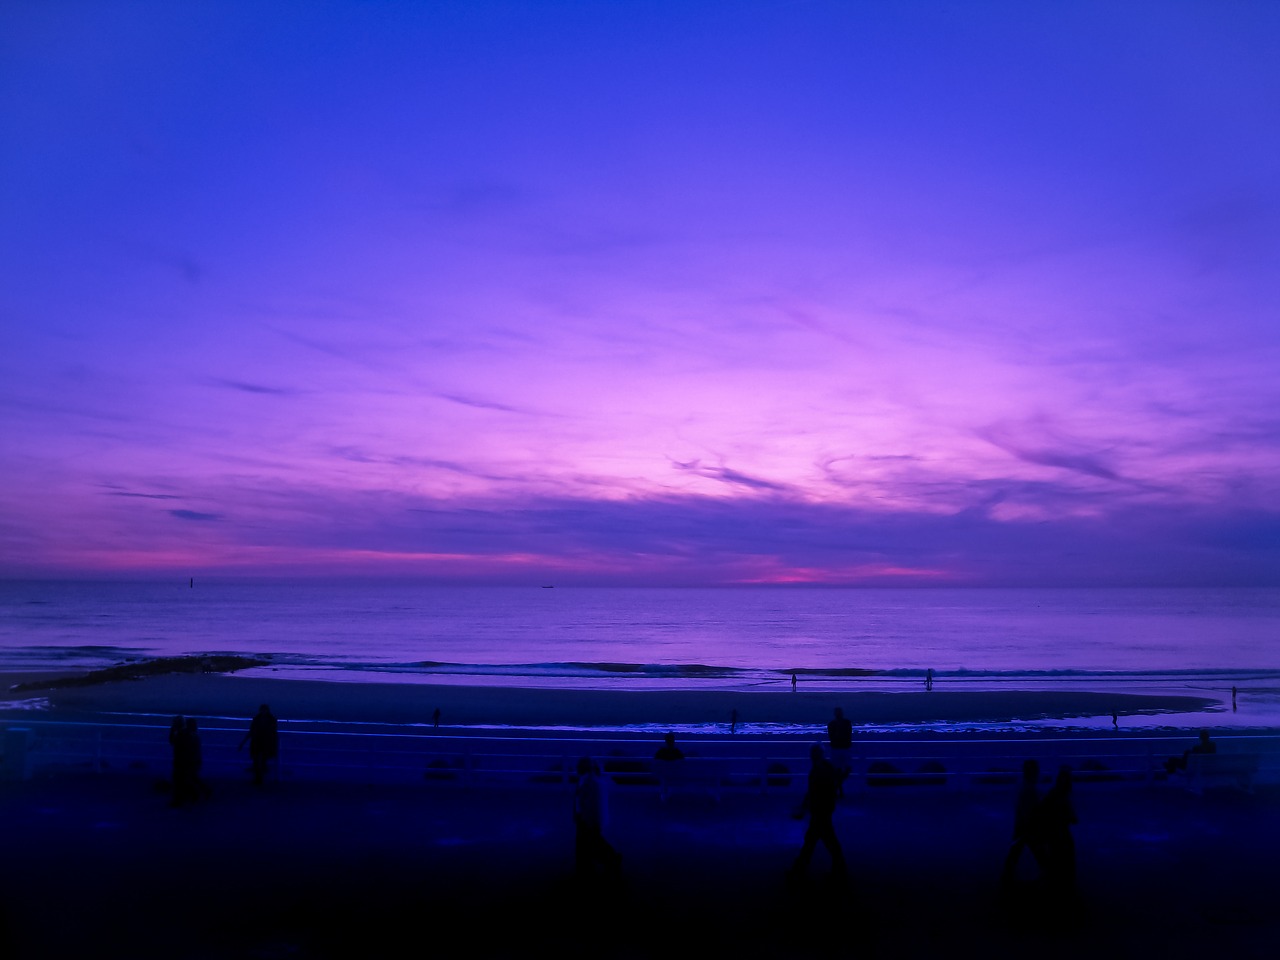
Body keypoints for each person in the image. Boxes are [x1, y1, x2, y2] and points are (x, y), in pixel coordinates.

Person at [788, 743, 848, 883]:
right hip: (825, 808)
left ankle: (798, 870)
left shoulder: (817, 770)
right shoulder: (826, 766)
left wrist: (804, 806)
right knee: (822, 840)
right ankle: (839, 869)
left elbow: (812, 791)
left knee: (814, 841)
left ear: (813, 755)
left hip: (819, 810)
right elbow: (834, 781)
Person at [573, 757, 621, 880]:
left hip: (588, 820)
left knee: (591, 842)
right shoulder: (597, 782)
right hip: (595, 819)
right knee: (595, 841)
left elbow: (582, 803)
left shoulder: (585, 783)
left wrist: (580, 817)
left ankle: (610, 859)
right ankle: (611, 858)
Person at [1000, 759, 1044, 890]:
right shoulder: (1029, 789)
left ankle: (1007, 875)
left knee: (1017, 850)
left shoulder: (1023, 787)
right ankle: (1050, 873)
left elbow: (1021, 807)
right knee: (1037, 851)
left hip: (1022, 824)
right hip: (1028, 825)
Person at [1038, 765, 1078, 899]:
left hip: (1052, 832)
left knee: (1055, 859)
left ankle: (1054, 887)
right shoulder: (1061, 797)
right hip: (1059, 832)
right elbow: (1071, 818)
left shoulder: (1053, 793)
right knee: (1064, 858)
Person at [238, 703, 278, 786]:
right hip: (261, 743)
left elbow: (252, 731)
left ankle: (259, 779)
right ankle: (259, 778)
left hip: (261, 743)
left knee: (259, 761)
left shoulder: (258, 719)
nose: (263, 711)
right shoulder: (270, 719)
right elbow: (273, 734)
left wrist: (243, 742)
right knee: (259, 761)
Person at [826, 708, 853, 795]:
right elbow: (849, 735)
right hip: (844, 748)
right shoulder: (847, 723)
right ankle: (838, 788)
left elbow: (831, 737)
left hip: (836, 748)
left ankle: (837, 788)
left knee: (838, 770)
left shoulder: (831, 724)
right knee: (845, 769)